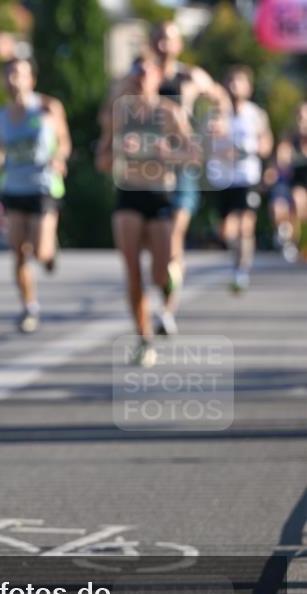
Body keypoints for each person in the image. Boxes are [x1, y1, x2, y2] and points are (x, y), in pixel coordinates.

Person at [97, 51, 197, 366]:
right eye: (136, 75)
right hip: (128, 195)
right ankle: (144, 339)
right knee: (132, 272)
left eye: (146, 74)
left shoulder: (170, 112)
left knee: (160, 273)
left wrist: (167, 154)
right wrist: (116, 150)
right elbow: (100, 161)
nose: (141, 80)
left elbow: (194, 155)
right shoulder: (118, 114)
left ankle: (171, 281)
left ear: (157, 77)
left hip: (160, 195)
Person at [0, 49, 71, 333]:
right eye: (8, 74)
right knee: (18, 252)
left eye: (19, 74)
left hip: (43, 185)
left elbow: (65, 142)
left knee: (40, 251)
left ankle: (50, 253)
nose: (13, 79)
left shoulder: (48, 108)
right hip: (13, 186)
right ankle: (29, 306)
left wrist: (59, 159)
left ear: (31, 79)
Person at [149, 21, 230, 313]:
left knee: (173, 234)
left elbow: (220, 97)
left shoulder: (191, 76)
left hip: (182, 165)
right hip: (149, 169)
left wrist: (219, 120)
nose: (162, 44)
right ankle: (165, 288)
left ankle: (168, 310)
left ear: (179, 44)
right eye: (157, 37)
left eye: (168, 38)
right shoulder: (142, 77)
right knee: (160, 244)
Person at [207, 65, 273, 291]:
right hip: (222, 178)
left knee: (246, 225)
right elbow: (204, 144)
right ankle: (236, 259)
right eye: (231, 81)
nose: (234, 86)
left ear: (249, 87)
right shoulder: (216, 113)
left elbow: (266, 143)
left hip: (247, 177)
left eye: (239, 81)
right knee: (227, 230)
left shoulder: (256, 114)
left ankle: (241, 270)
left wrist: (253, 149)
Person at [266, 102, 307, 262]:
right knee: (292, 201)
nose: (302, 121)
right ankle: (288, 236)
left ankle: (294, 238)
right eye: (300, 117)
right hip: (293, 183)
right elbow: (281, 164)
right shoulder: (289, 139)